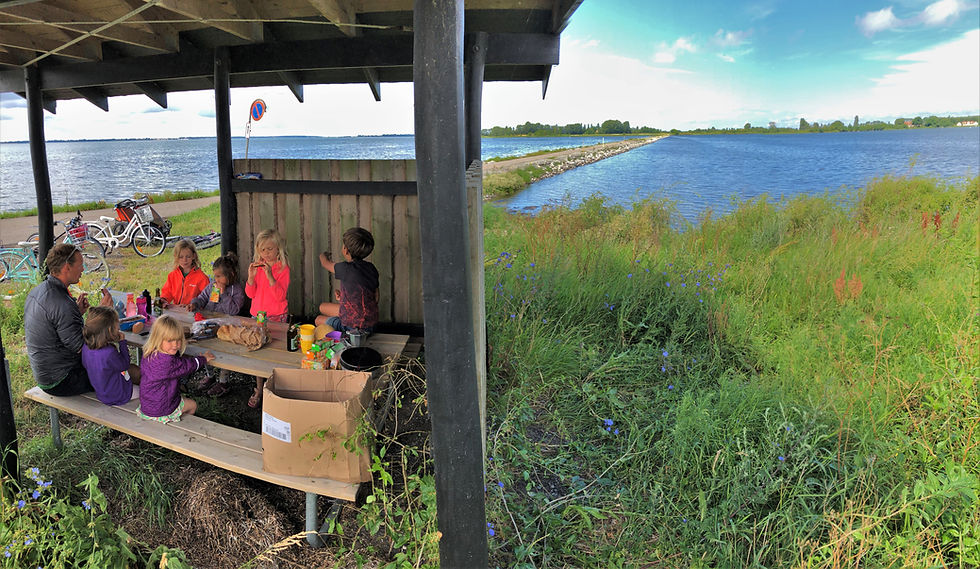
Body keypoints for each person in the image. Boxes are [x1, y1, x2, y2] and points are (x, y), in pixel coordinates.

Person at [24, 243, 111, 396]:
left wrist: (77, 312)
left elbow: (57, 326)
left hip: (45, 374)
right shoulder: (62, 303)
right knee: (117, 367)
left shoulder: (38, 291)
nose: (83, 269)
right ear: (66, 267)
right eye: (80, 265)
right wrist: (101, 313)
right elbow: (84, 348)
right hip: (62, 380)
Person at [137, 315, 213, 423]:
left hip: (147, 405)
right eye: (170, 341)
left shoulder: (149, 353)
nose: (175, 345)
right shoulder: (167, 362)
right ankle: (180, 425)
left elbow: (176, 363)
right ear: (158, 339)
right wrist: (203, 359)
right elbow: (187, 366)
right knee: (193, 405)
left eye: (178, 340)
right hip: (162, 409)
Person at [244, 229, 290, 408]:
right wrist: (250, 278)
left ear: (278, 249)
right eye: (262, 250)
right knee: (259, 352)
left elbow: (280, 296)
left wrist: (270, 276)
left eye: (270, 249)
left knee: (276, 353)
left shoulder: (283, 269)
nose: (266, 254)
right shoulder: (257, 267)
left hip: (276, 316)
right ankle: (259, 388)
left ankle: (276, 389)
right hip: (258, 316)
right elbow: (250, 293)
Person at [189, 251, 244, 397]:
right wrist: (195, 304)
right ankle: (210, 374)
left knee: (224, 352)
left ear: (230, 274)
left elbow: (233, 310)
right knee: (206, 348)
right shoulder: (213, 286)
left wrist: (224, 293)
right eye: (215, 276)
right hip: (209, 323)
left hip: (226, 327)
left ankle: (223, 381)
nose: (216, 279)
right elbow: (202, 298)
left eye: (219, 276)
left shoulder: (236, 290)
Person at [316, 227, 379, 334]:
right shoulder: (371, 268)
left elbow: (325, 263)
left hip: (352, 328)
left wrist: (322, 255)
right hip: (371, 324)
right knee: (322, 307)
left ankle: (343, 335)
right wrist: (344, 297)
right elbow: (375, 298)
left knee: (318, 320)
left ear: (345, 250)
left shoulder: (345, 268)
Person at [81, 306, 141, 406]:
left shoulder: (86, 347)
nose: (118, 329)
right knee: (144, 388)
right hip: (118, 394)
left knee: (134, 371)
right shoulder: (109, 352)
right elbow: (125, 364)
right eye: (117, 327)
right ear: (109, 330)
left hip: (102, 392)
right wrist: (122, 343)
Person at [160, 239, 209, 307]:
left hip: (193, 313)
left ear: (194, 256)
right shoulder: (172, 275)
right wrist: (163, 299)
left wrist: (194, 305)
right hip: (176, 311)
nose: (184, 260)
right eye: (181, 257)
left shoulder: (202, 278)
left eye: (188, 257)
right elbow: (167, 292)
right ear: (176, 256)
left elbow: (207, 298)